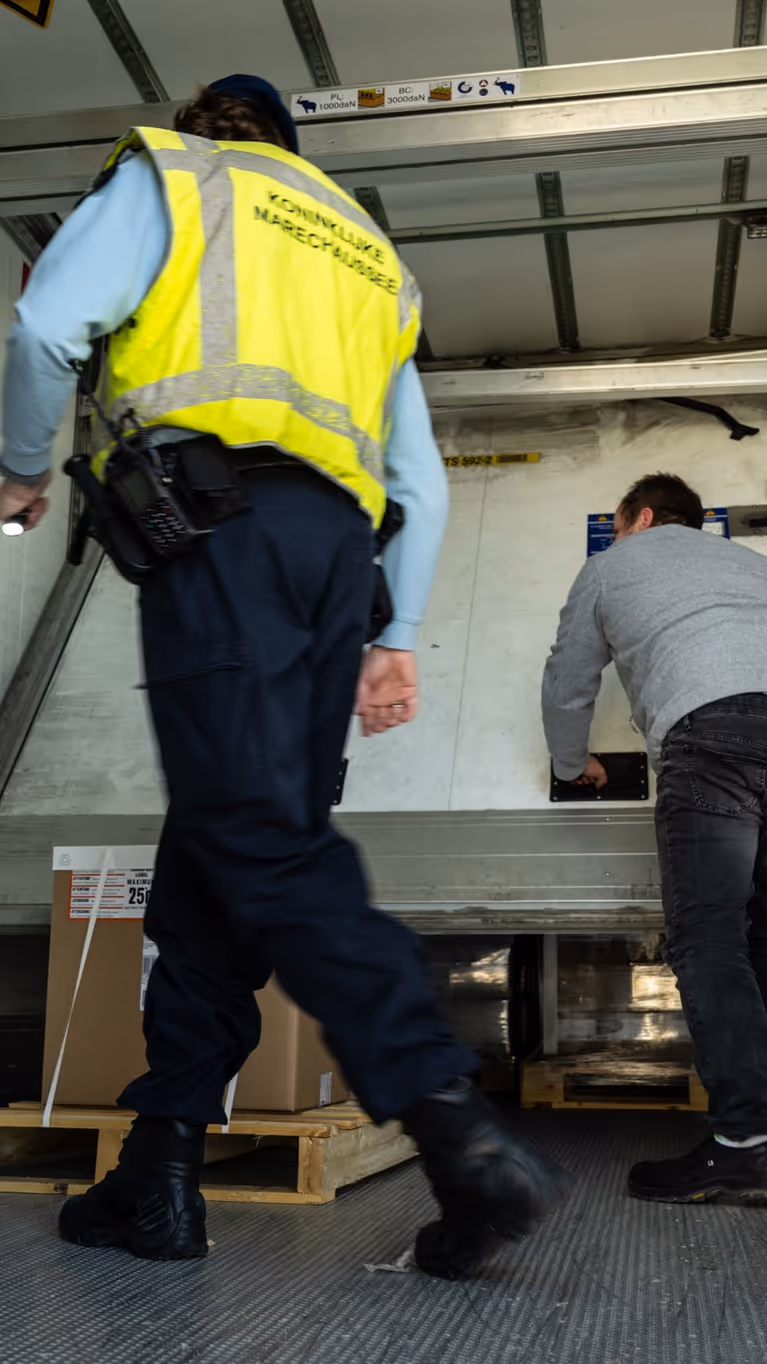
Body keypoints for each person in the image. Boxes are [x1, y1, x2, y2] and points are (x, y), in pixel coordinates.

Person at [0, 75, 567, 1277]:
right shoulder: (366, 256)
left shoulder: (176, 177)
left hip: (218, 528)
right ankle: (157, 1168)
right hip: (333, 563)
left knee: (255, 835)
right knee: (228, 844)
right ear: (293, 147)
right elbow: (420, 479)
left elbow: (48, 322)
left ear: (208, 123)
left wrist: (18, 469)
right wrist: (396, 628)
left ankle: (452, 1125)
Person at [543, 471, 767, 1203]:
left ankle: (744, 1145)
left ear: (637, 517)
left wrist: (571, 764)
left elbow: (568, 679)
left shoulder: (610, 565)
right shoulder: (750, 564)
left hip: (712, 737)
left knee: (710, 938)